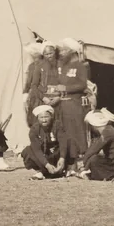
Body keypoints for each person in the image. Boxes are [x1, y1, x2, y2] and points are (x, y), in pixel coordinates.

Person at [43, 39, 89, 172]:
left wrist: (66, 88)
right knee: (66, 134)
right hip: (61, 105)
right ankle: (71, 163)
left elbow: (83, 85)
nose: (61, 53)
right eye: (61, 50)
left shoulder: (81, 66)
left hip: (74, 104)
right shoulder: (62, 67)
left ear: (71, 51)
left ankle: (83, 162)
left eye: (64, 50)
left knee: (77, 133)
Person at [22, 104, 64, 179]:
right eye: (41, 117)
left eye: (46, 117)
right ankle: (40, 171)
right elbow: (37, 150)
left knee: (70, 141)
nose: (44, 120)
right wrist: (47, 165)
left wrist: (62, 158)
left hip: (56, 155)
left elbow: (63, 142)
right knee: (27, 151)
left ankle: (70, 168)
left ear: (51, 117)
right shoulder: (34, 130)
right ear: (37, 118)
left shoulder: (57, 125)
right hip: (43, 156)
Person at [22, 42, 47, 126]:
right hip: (40, 95)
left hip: (39, 95)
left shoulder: (33, 66)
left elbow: (29, 82)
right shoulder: (33, 66)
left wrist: (25, 93)